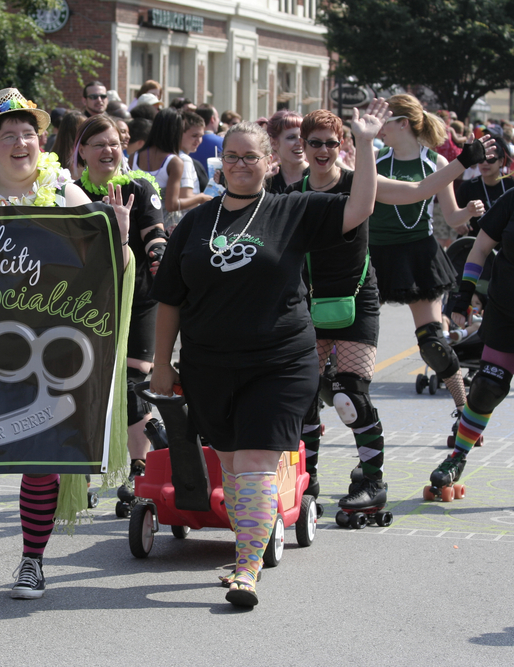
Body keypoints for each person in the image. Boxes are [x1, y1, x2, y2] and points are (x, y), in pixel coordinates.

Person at [149, 102, 388, 608]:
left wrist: (364, 143)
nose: (239, 164)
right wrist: (164, 363)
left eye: (250, 157)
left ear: (268, 162)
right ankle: (246, 551)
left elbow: (359, 207)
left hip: (279, 361)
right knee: (233, 468)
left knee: (256, 463)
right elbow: (170, 297)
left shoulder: (291, 209)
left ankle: (246, 568)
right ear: (220, 165)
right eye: (231, 157)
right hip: (209, 364)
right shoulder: (196, 223)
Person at [0, 87, 129, 601]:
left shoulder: (65, 192)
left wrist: (118, 238)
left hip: (48, 345)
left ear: (41, 141)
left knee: (42, 453)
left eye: (27, 133)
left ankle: (32, 562)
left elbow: (111, 274)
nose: (19, 143)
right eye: (6, 135)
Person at [292, 109, 493, 511]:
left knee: (352, 395)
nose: (324, 150)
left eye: (332, 142)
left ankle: (373, 480)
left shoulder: (360, 180)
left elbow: (418, 189)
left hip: (362, 291)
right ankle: (306, 480)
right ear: (304, 146)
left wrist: (463, 161)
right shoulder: (291, 192)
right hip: (313, 296)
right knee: (305, 395)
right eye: (315, 142)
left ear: (343, 145)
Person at [429, 131, 514, 506]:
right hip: (509, 312)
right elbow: (479, 248)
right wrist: (463, 293)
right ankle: (457, 457)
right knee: (486, 387)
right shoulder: (513, 201)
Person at [369, 94, 485, 443]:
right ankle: (314, 417)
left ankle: (465, 413)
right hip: (376, 255)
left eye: (384, 122)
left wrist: (468, 212)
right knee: (345, 338)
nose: (379, 129)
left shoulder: (435, 162)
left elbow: (450, 217)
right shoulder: (375, 160)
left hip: (418, 256)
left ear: (402, 123)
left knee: (432, 344)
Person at [73, 113, 166, 500]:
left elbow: (156, 236)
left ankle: (139, 471)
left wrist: (161, 258)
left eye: (114, 143)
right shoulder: (69, 191)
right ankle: (86, 472)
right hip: (84, 305)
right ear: (82, 151)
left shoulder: (140, 187)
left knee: (130, 388)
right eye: (99, 144)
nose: (109, 150)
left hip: (137, 298)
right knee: (86, 388)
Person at [130, 108, 211, 231]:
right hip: (162, 227)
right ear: (175, 131)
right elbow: (172, 205)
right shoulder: (174, 162)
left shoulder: (134, 157)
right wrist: (201, 198)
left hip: (136, 224)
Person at [455, 131, 510, 238]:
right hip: (475, 241)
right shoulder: (467, 187)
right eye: (481, 159)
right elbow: (455, 215)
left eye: (491, 159)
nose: (485, 163)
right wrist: (459, 224)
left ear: (501, 161)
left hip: (507, 242)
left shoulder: (513, 185)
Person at [265, 109, 307, 194]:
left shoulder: (318, 175)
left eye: (303, 137)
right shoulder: (268, 179)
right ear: (274, 143)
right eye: (291, 137)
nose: (300, 142)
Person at [191, 104, 224, 170]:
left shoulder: (187, 143)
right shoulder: (224, 142)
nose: (218, 121)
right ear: (212, 119)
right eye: (217, 117)